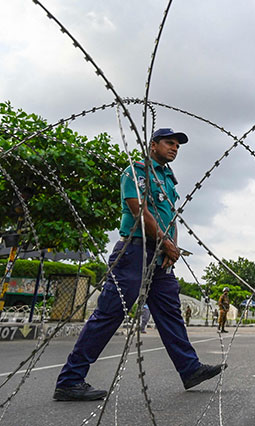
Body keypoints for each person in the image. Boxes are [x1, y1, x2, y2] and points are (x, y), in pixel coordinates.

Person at [54, 128, 226, 401]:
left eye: (178, 146)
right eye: (170, 144)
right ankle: (70, 379)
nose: (174, 149)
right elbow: (138, 208)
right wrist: (165, 242)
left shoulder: (168, 178)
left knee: (170, 313)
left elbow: (171, 215)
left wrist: (172, 248)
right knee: (110, 313)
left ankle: (190, 369)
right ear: (153, 145)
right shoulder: (136, 172)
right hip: (135, 251)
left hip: (160, 255)